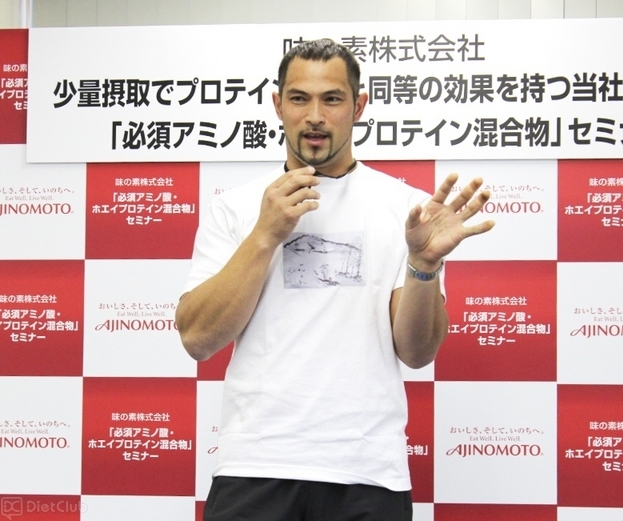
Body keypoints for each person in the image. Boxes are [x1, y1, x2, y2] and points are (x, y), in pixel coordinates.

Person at [176, 39, 494, 521]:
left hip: (366, 471)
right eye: (299, 98)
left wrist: (423, 264)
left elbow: (417, 352)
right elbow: (198, 339)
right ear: (277, 105)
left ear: (358, 106)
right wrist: (264, 234)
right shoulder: (235, 207)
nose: (315, 116)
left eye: (332, 99)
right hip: (256, 464)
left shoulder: (405, 208)